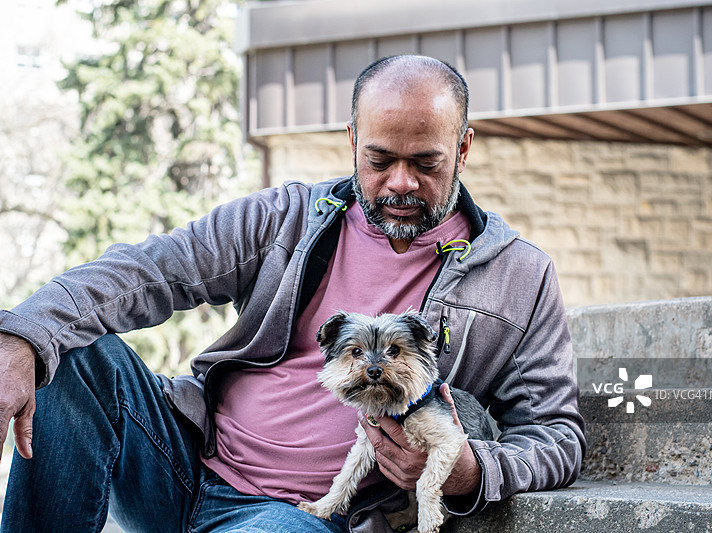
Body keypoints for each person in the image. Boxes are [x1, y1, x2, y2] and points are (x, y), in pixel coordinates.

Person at [0, 55, 585, 532]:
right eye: (379, 160)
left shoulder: (518, 274)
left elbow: (557, 435)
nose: (401, 183)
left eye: (426, 162)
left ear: (462, 149)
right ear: (353, 140)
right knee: (72, 351)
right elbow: (148, 271)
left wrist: (469, 469)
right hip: (182, 459)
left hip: (299, 515)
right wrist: (23, 334)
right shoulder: (285, 218)